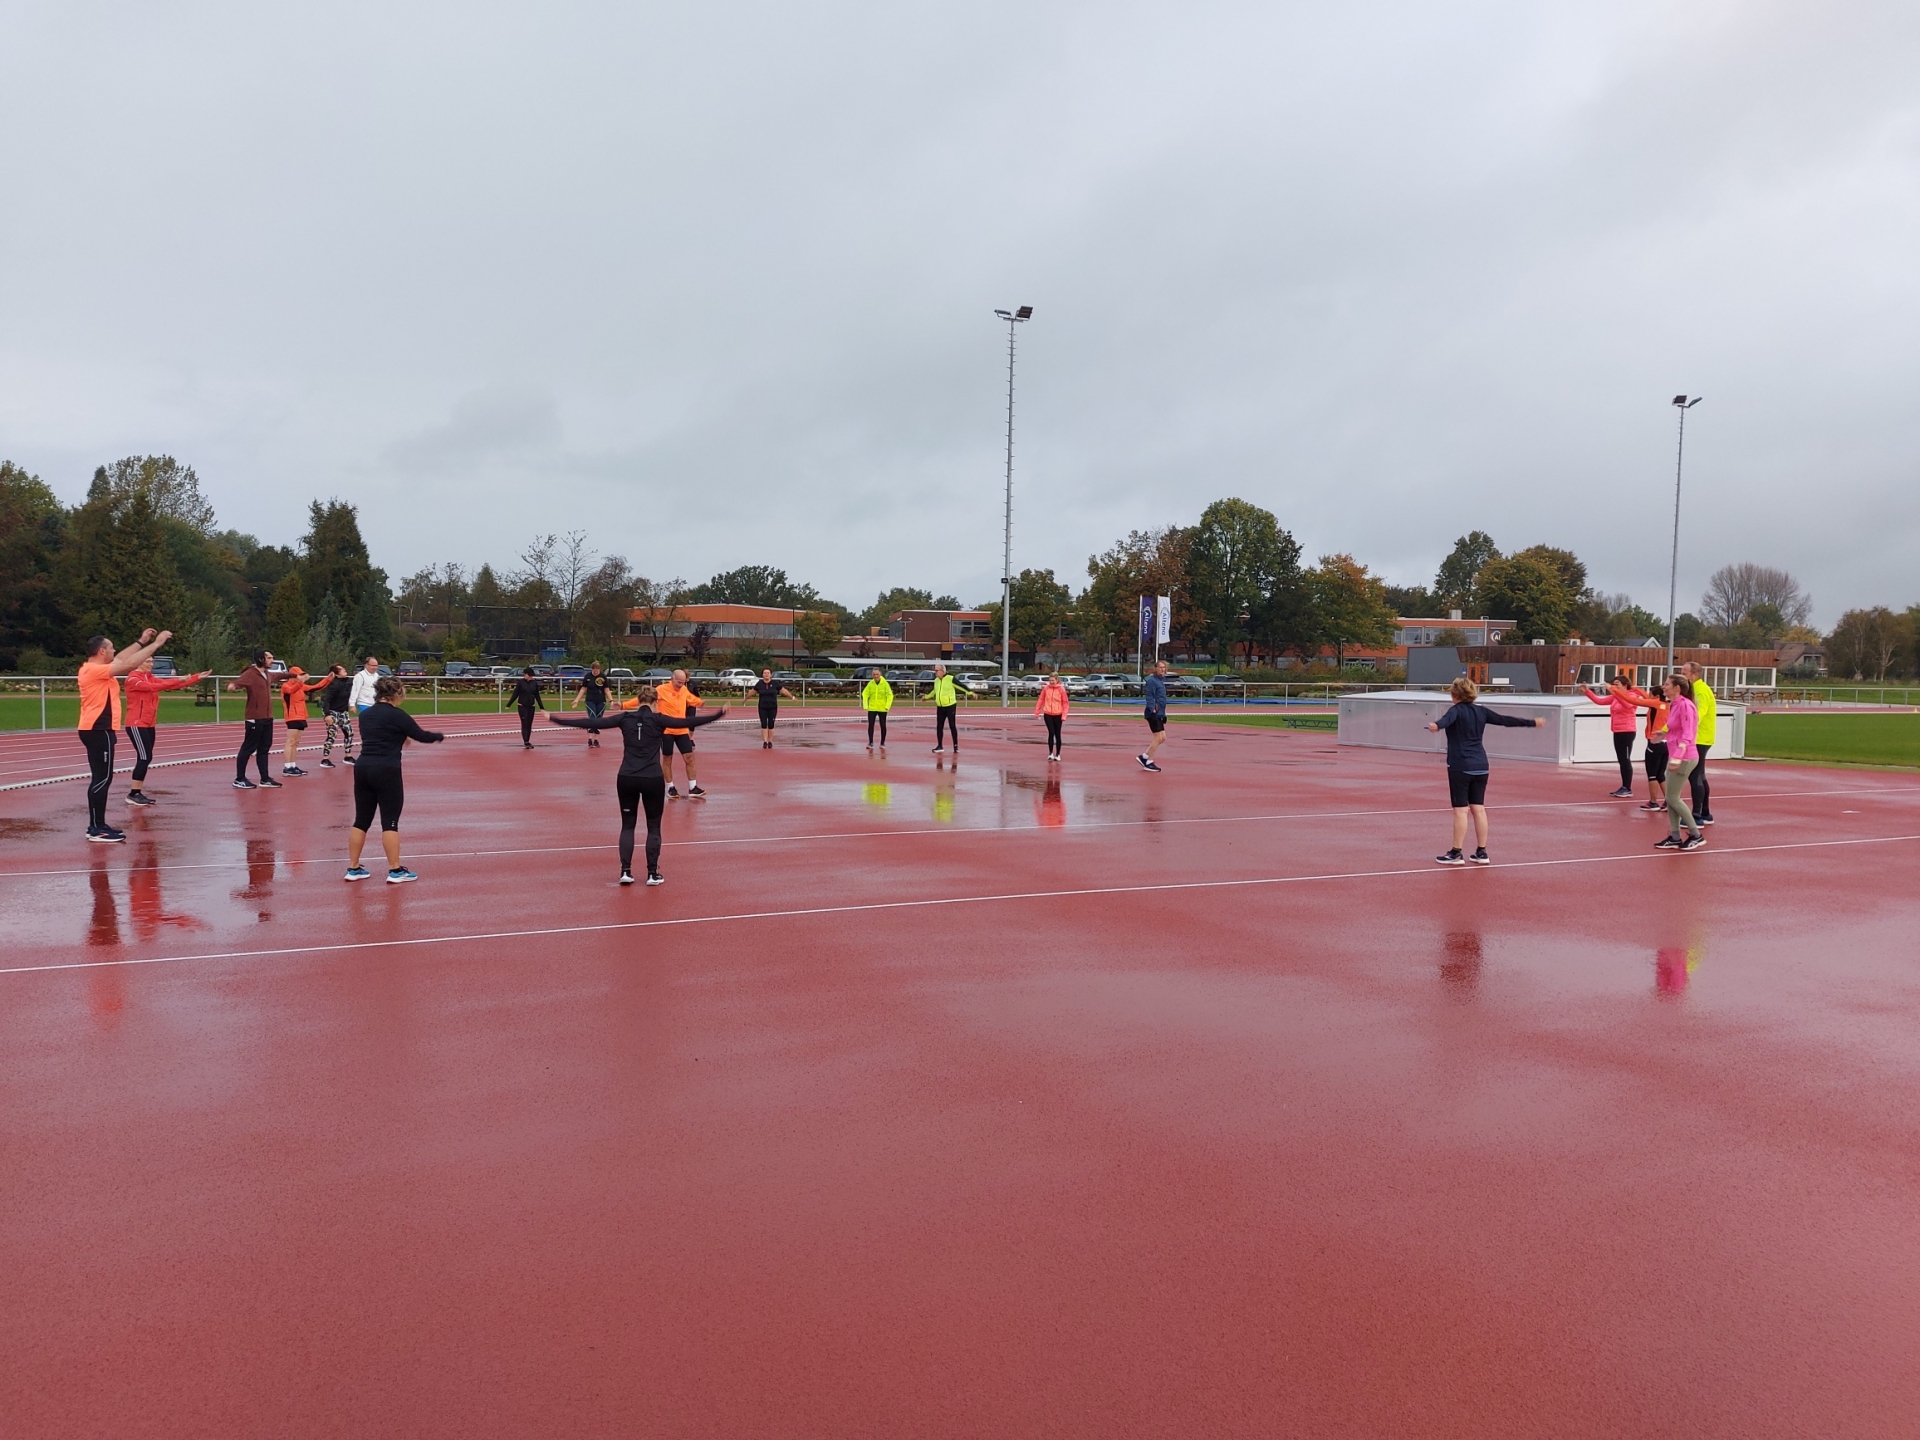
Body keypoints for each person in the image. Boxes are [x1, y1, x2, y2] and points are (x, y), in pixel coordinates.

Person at [548, 691, 728, 884]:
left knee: (627, 825)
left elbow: (592, 723)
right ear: (655, 702)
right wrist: (719, 713)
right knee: (653, 826)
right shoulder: (659, 719)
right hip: (652, 778)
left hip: (627, 777)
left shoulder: (625, 718)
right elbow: (687, 722)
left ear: (639, 701)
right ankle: (652, 874)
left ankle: (625, 871)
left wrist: (555, 719)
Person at [1424, 676, 1546, 866]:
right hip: (1481, 765)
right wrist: (1532, 722)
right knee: (1478, 809)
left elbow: (1445, 720)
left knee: (1460, 811)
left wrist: (1436, 725)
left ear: (1454, 695)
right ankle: (1481, 852)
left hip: (1461, 765)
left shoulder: (1455, 710)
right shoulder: (1481, 712)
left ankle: (1456, 852)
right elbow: (1505, 720)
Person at [345, 676, 447, 883]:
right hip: (386, 769)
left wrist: (401, 736)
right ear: (397, 693)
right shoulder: (397, 715)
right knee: (390, 822)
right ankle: (395, 870)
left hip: (363, 767)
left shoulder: (366, 715)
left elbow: (380, 734)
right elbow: (421, 735)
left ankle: (353, 867)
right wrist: (439, 735)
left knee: (361, 820)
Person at [75, 627, 173, 842]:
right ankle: (95, 828)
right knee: (101, 779)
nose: (114, 650)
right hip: (97, 730)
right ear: (102, 651)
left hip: (101, 730)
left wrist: (141, 641)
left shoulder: (99, 667)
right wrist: (156, 644)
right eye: (110, 647)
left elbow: (121, 658)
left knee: (103, 778)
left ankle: (98, 824)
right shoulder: (93, 670)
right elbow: (127, 664)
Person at [122, 656, 210, 807]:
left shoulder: (149, 677)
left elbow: (167, 685)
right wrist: (180, 679)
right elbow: (153, 687)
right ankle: (133, 793)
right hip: (136, 723)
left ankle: (137, 791)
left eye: (151, 661)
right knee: (144, 757)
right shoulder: (133, 679)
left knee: (146, 757)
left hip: (149, 723)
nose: (151, 664)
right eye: (148, 661)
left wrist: (195, 678)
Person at [1581, 671, 1657, 798]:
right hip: (1617, 730)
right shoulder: (1617, 696)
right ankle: (1624, 786)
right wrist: (1587, 691)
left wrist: (1614, 692)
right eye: (1613, 684)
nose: (1614, 687)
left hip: (1627, 731)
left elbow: (1627, 705)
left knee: (1625, 759)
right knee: (1621, 759)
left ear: (1625, 685)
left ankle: (1627, 787)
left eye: (1617, 684)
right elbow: (1600, 701)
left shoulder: (1632, 696)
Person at [1657, 674, 1707, 852]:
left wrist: (1678, 756)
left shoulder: (1686, 705)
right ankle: (1675, 836)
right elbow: (1676, 729)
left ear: (1677, 688)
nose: (1663, 687)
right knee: (1670, 798)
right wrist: (1663, 735)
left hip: (1685, 757)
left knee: (1673, 798)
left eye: (1667, 684)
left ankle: (1696, 835)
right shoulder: (1675, 704)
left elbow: (1688, 734)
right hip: (1675, 755)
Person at [227, 651, 281, 789]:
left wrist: (295, 676)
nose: (272, 660)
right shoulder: (251, 674)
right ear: (261, 659)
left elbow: (280, 675)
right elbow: (239, 682)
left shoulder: (267, 674)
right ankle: (239, 778)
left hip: (267, 717)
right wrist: (233, 686)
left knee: (264, 748)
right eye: (269, 658)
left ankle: (265, 778)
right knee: (248, 748)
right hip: (254, 718)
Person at [656, 669, 707, 797]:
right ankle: (670, 787)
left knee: (689, 757)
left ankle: (693, 787)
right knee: (668, 759)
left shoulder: (684, 689)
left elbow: (691, 699)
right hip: (666, 730)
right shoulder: (661, 689)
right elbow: (642, 698)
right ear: (672, 679)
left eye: (683, 683)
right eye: (678, 682)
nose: (680, 685)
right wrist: (623, 705)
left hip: (682, 729)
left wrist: (699, 703)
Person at [1680, 662, 1717, 826]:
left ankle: (1696, 816)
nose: (1682, 675)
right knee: (1700, 775)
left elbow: (1697, 714)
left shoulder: (1700, 690)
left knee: (1695, 776)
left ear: (1694, 675)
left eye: (1684, 672)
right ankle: (1705, 812)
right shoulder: (1697, 689)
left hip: (1699, 738)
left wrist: (1685, 733)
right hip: (1701, 737)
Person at [277, 666, 330, 776]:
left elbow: (315, 688)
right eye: (299, 675)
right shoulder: (286, 686)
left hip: (301, 716)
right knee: (290, 742)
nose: (301, 677)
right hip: (292, 716)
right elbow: (292, 690)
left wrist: (328, 679)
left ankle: (292, 765)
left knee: (295, 743)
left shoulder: (300, 686)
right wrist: (301, 681)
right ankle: (287, 767)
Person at [1636, 681, 1671, 812]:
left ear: (1655, 696)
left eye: (1650, 694)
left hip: (1654, 742)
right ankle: (1669, 801)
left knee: (1652, 775)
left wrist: (1617, 691)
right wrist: (1637, 689)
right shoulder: (1666, 705)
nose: (1648, 696)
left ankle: (1653, 802)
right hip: (1665, 743)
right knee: (1661, 775)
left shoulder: (1655, 704)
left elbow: (1637, 701)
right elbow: (1647, 699)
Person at [318, 665, 355, 768]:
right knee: (332, 735)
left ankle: (348, 756)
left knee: (349, 733)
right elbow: (327, 700)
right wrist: (327, 715)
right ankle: (325, 759)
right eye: (342, 670)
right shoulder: (333, 685)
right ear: (337, 673)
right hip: (332, 712)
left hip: (343, 712)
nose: (345, 670)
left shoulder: (349, 682)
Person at [1137, 659, 1170, 771]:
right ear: (1155, 668)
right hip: (1153, 713)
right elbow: (1150, 696)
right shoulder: (1152, 681)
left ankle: (1144, 756)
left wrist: (1163, 714)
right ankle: (1148, 761)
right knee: (1158, 737)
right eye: (1160, 667)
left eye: (1164, 667)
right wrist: (1153, 710)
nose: (1162, 669)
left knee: (1163, 737)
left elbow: (1161, 699)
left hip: (1159, 713)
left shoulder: (1160, 681)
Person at [753, 668, 795, 748]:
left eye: (768, 673)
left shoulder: (775, 683)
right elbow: (752, 691)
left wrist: (792, 697)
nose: (766, 674)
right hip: (762, 707)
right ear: (762, 675)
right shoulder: (759, 684)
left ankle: (770, 742)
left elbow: (784, 691)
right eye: (765, 673)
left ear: (770, 674)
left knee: (771, 724)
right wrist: (746, 698)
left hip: (772, 707)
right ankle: (765, 741)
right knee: (764, 724)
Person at [573, 662, 611, 749]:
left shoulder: (603, 677)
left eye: (597, 669)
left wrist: (611, 700)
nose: (596, 671)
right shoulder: (588, 677)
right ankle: (590, 739)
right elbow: (583, 689)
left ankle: (596, 740)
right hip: (590, 700)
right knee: (592, 717)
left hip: (601, 701)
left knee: (599, 720)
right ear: (592, 669)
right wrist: (577, 700)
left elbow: (607, 690)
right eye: (594, 669)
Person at [1035, 670, 1070, 760]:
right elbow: (1041, 700)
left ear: (1057, 680)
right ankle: (1050, 753)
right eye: (1050, 680)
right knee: (1051, 733)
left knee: (1057, 734)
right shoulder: (1046, 688)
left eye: (1053, 680)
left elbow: (1065, 703)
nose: (1051, 682)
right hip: (1048, 714)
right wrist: (1037, 712)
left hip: (1058, 714)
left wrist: (1064, 715)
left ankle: (1058, 754)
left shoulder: (1061, 689)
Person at [929, 663, 960, 754]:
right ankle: (940, 746)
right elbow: (934, 691)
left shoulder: (950, 679)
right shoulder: (936, 681)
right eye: (935, 670)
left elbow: (961, 686)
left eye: (936, 670)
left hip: (950, 706)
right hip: (940, 706)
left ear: (942, 671)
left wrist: (970, 693)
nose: (935, 672)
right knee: (939, 726)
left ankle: (955, 746)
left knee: (952, 726)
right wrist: (927, 697)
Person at [510, 667, 545, 748]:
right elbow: (515, 694)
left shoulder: (534, 683)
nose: (530, 677)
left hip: (531, 706)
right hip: (522, 706)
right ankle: (526, 741)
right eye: (529, 675)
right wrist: (509, 704)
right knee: (524, 723)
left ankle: (528, 740)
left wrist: (541, 706)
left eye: (531, 676)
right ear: (525, 675)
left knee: (529, 724)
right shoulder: (520, 683)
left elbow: (537, 695)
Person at [861, 668, 894, 750]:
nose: (875, 676)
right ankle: (870, 742)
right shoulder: (870, 683)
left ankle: (882, 743)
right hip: (872, 708)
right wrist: (865, 705)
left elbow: (890, 695)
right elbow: (865, 693)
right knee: (870, 725)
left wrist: (887, 706)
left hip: (882, 708)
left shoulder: (885, 684)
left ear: (880, 675)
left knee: (883, 725)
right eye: (874, 674)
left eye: (877, 674)